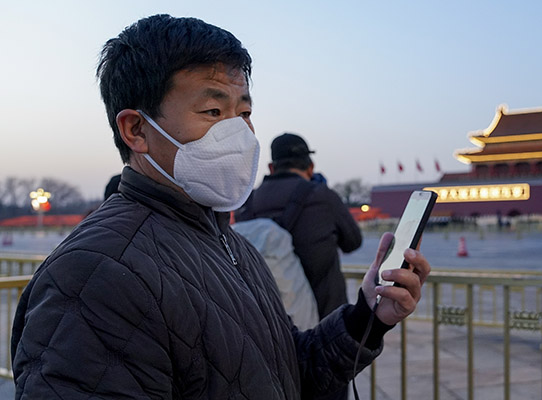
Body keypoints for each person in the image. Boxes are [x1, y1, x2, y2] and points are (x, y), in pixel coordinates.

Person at [10, 14, 430, 399]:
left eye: (243, 112)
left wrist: (367, 317)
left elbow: (283, 371)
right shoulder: (96, 276)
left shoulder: (230, 245)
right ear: (136, 129)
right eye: (213, 111)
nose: (238, 133)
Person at [236, 133, 363, 319]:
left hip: (265, 321)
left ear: (271, 167)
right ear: (311, 167)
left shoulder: (248, 202)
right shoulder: (322, 196)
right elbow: (353, 241)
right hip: (325, 323)